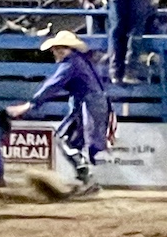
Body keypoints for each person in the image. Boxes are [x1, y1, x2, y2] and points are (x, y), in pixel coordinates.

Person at [8, 30, 114, 194]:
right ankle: (87, 178)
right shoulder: (79, 60)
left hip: (88, 103)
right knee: (70, 140)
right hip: (88, 102)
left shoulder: (71, 64)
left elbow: (53, 85)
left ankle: (88, 178)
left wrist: (31, 104)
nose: (55, 52)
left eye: (58, 48)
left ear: (65, 48)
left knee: (67, 139)